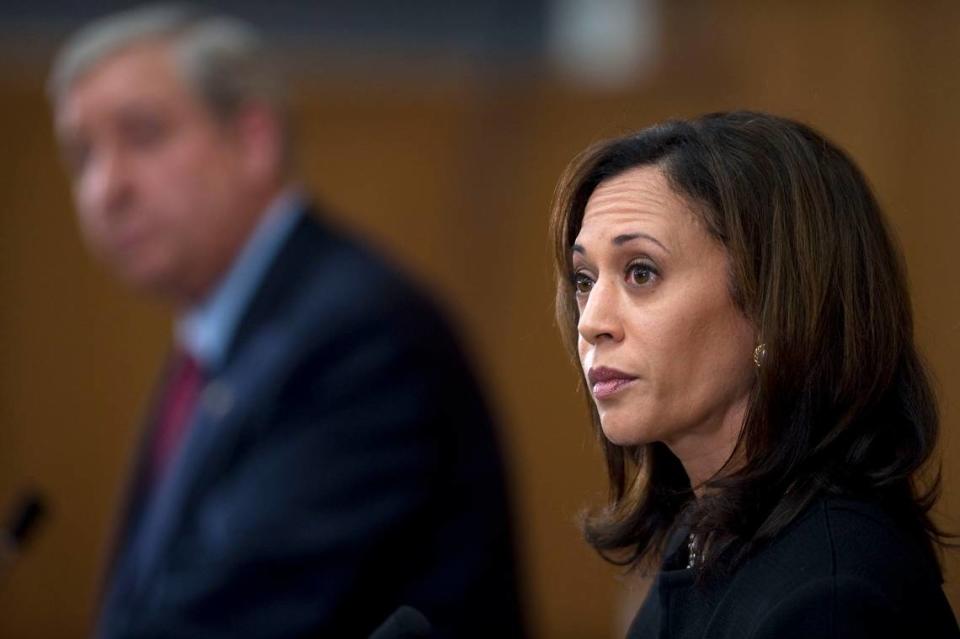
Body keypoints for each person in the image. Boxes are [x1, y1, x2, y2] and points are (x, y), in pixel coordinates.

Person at [49, 5, 524, 638]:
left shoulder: (360, 339)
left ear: (253, 141)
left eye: (143, 135)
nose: (107, 187)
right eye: (82, 155)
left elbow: (231, 621)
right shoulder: (224, 335)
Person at [549, 111, 959, 637]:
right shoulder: (706, 535)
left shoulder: (831, 601)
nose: (592, 322)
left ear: (775, 306)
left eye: (641, 272)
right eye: (585, 279)